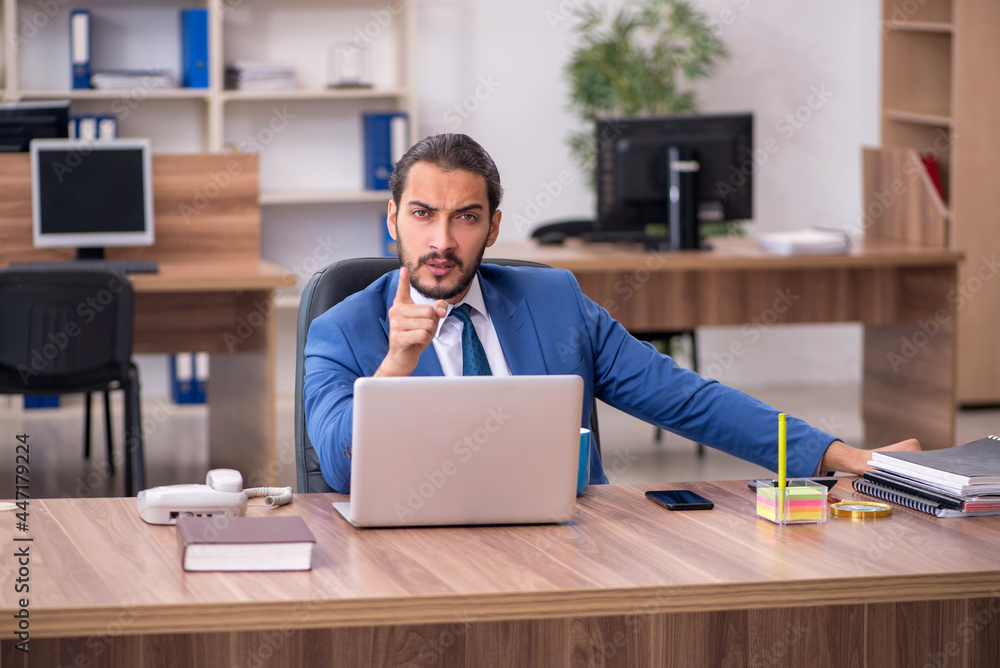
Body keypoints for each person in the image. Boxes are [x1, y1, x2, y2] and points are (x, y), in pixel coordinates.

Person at [303, 133, 920, 493]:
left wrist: (848, 459)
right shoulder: (342, 330)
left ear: (491, 228)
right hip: (424, 559)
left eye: (464, 217)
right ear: (392, 220)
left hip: (573, 550)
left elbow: (686, 399)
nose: (441, 241)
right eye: (422, 214)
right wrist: (394, 368)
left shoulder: (554, 302)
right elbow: (335, 465)